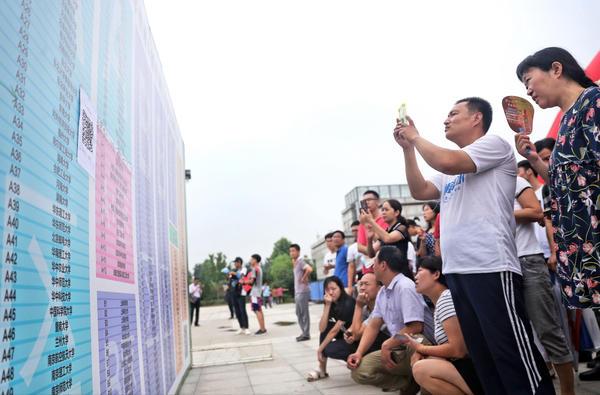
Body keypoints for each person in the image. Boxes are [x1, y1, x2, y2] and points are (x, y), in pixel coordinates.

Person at [395, 96, 554, 394]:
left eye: (453, 113)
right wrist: (408, 151)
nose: (446, 119)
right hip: (458, 271)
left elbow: (447, 160)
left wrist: (415, 137)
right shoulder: (447, 170)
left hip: (490, 265)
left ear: (476, 118)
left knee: (512, 354)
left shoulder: (493, 145)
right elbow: (419, 190)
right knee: (485, 359)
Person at [514, 47, 600, 310]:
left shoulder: (593, 101)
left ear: (556, 69)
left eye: (528, 80)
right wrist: (535, 160)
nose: (527, 90)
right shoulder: (566, 119)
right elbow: (565, 182)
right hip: (583, 243)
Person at [514, 174, 575, 394]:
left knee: (547, 330)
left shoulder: (514, 181)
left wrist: (499, 215)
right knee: (518, 336)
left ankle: (568, 391)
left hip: (528, 260)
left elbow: (537, 212)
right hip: (500, 266)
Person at [347, 246, 428, 394]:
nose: (373, 266)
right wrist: (358, 353)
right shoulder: (383, 292)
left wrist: (387, 344)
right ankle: (407, 383)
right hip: (397, 347)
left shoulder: (405, 287)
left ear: (383, 265)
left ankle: (419, 381)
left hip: (414, 344)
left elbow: (416, 327)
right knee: (360, 371)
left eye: (375, 262)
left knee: (417, 342)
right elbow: (373, 325)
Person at [401, 256, 484, 395]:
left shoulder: (446, 299)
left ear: (436, 274)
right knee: (423, 361)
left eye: (420, 271)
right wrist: (422, 351)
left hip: (475, 369)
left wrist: (421, 348)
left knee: (421, 369)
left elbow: (458, 350)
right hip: (465, 366)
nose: (415, 276)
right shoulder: (441, 301)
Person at [306, 276, 355, 382]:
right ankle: (322, 369)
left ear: (341, 289)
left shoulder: (348, 303)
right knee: (326, 329)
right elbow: (322, 328)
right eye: (328, 290)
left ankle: (356, 362)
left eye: (334, 289)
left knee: (329, 349)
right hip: (343, 333)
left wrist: (320, 349)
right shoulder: (330, 302)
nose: (331, 292)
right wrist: (327, 306)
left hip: (354, 338)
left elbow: (335, 330)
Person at [344, 272, 389, 351]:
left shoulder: (382, 305)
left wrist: (358, 306)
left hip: (391, 341)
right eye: (361, 284)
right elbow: (353, 330)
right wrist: (348, 333)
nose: (362, 288)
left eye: (366, 284)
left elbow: (357, 334)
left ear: (379, 288)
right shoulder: (365, 308)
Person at [356, 190, 388, 272]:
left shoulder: (385, 219)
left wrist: (369, 250)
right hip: (367, 269)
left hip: (384, 267)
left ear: (378, 202)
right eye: (364, 201)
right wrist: (371, 251)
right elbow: (359, 247)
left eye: (369, 199)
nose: (366, 203)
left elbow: (383, 241)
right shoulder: (363, 222)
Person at [291, 244, 313, 341]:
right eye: (290, 251)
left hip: (303, 291)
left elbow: (309, 269)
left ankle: (306, 334)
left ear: (298, 251)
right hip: (297, 291)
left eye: (293, 251)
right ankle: (304, 332)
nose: (291, 253)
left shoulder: (300, 261)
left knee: (304, 313)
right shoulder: (295, 262)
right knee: (298, 313)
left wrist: (304, 278)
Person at [230, 257, 250, 335]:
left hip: (241, 292)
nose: (235, 264)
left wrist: (234, 274)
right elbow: (230, 279)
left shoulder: (244, 269)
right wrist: (229, 274)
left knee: (242, 310)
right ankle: (241, 327)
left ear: (239, 262)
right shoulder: (234, 270)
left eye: (235, 262)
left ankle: (247, 328)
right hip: (234, 292)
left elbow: (242, 277)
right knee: (237, 311)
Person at [247, 254, 267, 335]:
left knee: (257, 310)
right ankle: (263, 328)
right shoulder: (259, 268)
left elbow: (251, 281)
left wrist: (243, 281)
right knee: (259, 310)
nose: (250, 261)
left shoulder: (255, 269)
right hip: (258, 292)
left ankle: (262, 329)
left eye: (251, 259)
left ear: (255, 260)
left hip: (255, 293)